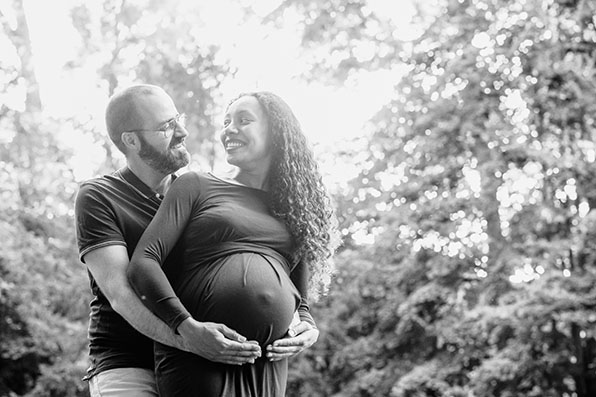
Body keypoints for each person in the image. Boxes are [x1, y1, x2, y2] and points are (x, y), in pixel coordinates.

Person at [127, 91, 339, 396]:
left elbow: (298, 296)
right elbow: (143, 263)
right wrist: (186, 328)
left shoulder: (295, 208)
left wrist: (307, 326)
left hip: (267, 363)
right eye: (226, 121)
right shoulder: (196, 185)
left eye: (243, 120)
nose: (229, 129)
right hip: (202, 353)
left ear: (275, 132)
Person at [75, 84, 260, 397]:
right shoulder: (97, 196)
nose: (182, 132)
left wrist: (301, 315)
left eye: (178, 119)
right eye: (166, 126)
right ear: (131, 140)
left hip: (196, 364)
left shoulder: (196, 193)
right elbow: (120, 293)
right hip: (128, 364)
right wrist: (186, 337)